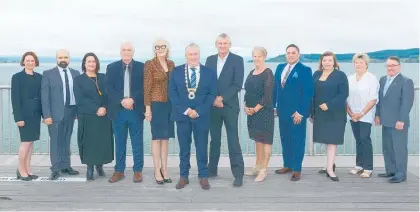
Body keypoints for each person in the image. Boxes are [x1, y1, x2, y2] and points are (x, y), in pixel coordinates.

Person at [168, 43, 217, 190]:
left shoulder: (209, 72)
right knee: (184, 148)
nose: (193, 57)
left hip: (202, 116)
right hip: (182, 116)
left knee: (202, 146)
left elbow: (212, 94)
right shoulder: (176, 72)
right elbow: (172, 93)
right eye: (190, 54)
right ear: (186, 55)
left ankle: (203, 176)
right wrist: (187, 110)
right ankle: (184, 176)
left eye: (195, 54)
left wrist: (199, 111)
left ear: (199, 55)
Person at [205, 33, 245, 187]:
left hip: (229, 106)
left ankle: (238, 174)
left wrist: (221, 98)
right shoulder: (210, 60)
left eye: (225, 43)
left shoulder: (237, 60)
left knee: (233, 139)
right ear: (216, 44)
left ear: (230, 44)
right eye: (220, 43)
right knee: (214, 139)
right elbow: (207, 82)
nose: (222, 46)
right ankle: (212, 169)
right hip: (213, 106)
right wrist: (214, 99)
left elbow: (237, 84)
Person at [272, 44, 314, 181]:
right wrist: (274, 106)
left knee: (297, 140)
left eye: (293, 53)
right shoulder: (279, 68)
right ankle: (288, 165)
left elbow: (308, 93)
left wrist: (301, 112)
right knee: (285, 139)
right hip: (282, 111)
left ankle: (297, 169)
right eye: (288, 53)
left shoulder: (305, 70)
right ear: (285, 54)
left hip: (297, 113)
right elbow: (275, 88)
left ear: (298, 54)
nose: (290, 55)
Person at [106, 42, 145, 183]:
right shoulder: (111, 68)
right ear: (120, 52)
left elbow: (144, 87)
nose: (126, 52)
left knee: (137, 142)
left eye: (129, 50)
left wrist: (133, 99)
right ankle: (119, 170)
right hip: (118, 111)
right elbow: (108, 88)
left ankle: (138, 171)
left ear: (133, 52)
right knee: (120, 142)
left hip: (135, 110)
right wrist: (122, 100)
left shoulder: (142, 67)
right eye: (124, 50)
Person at [73, 52, 114, 181]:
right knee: (89, 142)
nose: (91, 63)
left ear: (97, 64)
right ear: (84, 64)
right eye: (89, 61)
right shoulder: (78, 79)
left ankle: (99, 166)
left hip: (103, 115)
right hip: (87, 115)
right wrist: (96, 108)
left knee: (102, 141)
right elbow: (80, 99)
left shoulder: (104, 77)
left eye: (93, 61)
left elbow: (109, 95)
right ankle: (90, 167)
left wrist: (104, 107)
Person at [41, 49, 80, 180]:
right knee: (56, 141)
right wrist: (46, 115)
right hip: (55, 113)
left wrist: (78, 112)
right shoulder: (48, 74)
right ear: (56, 59)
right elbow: (44, 96)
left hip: (71, 111)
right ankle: (55, 168)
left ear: (69, 59)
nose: (63, 59)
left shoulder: (75, 73)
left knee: (66, 139)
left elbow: (78, 93)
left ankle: (66, 165)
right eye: (60, 57)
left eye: (65, 57)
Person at [375, 56, 414, 183]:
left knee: (399, 148)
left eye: (393, 65)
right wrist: (378, 115)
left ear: (399, 66)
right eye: (388, 65)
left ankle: (401, 174)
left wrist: (401, 120)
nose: (390, 68)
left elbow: (407, 103)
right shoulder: (382, 80)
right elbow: (379, 100)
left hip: (398, 121)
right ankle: (390, 170)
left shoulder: (406, 81)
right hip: (385, 120)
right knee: (387, 147)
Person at [311, 51, 349, 182]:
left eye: (329, 60)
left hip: (335, 113)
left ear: (334, 62)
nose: (327, 63)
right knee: (325, 140)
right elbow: (312, 93)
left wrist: (329, 105)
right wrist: (312, 112)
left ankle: (330, 170)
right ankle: (329, 164)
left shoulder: (340, 75)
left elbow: (344, 94)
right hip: (320, 113)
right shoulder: (316, 74)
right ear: (321, 62)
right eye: (324, 60)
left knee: (332, 141)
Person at [144, 39, 175, 184]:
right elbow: (147, 87)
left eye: (163, 46)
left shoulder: (171, 64)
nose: (160, 49)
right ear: (154, 49)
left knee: (166, 138)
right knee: (156, 138)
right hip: (156, 105)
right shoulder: (150, 64)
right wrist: (147, 108)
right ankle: (157, 170)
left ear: (167, 48)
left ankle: (165, 169)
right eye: (157, 47)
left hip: (169, 105)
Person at [243, 47, 274, 182]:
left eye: (259, 56)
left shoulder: (268, 73)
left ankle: (264, 170)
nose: (256, 59)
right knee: (257, 140)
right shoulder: (251, 72)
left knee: (266, 140)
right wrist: (245, 106)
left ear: (264, 57)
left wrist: (255, 108)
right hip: (252, 112)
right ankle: (257, 166)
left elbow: (267, 95)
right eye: (254, 56)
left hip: (264, 111)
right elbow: (247, 92)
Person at [346, 53, 379, 178]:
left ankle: (368, 168)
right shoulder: (350, 78)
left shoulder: (371, 78)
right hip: (353, 114)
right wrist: (350, 112)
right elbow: (345, 97)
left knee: (365, 139)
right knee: (358, 140)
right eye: (356, 62)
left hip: (365, 114)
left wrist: (361, 113)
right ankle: (359, 166)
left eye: (361, 62)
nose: (358, 64)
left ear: (366, 64)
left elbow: (373, 99)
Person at [11, 51, 43, 181]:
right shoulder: (17, 77)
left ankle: (28, 169)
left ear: (35, 62)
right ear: (23, 62)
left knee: (31, 144)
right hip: (24, 115)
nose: (30, 62)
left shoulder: (39, 77)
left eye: (32, 60)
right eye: (28, 60)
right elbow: (15, 99)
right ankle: (21, 170)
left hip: (36, 115)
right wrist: (18, 118)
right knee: (25, 143)